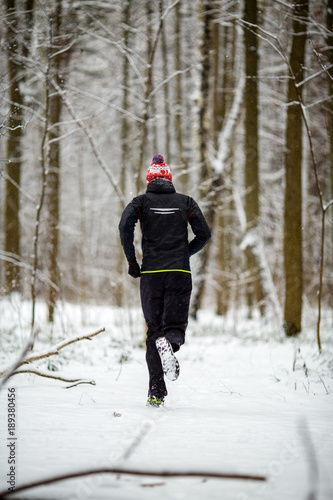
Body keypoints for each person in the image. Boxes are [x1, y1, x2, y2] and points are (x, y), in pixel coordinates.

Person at [119, 154, 211, 407]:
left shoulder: (140, 202)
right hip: (179, 273)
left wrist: (133, 261)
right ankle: (170, 342)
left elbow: (125, 226)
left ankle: (155, 393)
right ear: (169, 179)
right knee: (174, 327)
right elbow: (204, 233)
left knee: (153, 332)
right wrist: (184, 252)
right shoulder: (186, 202)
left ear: (149, 179)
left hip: (151, 274)